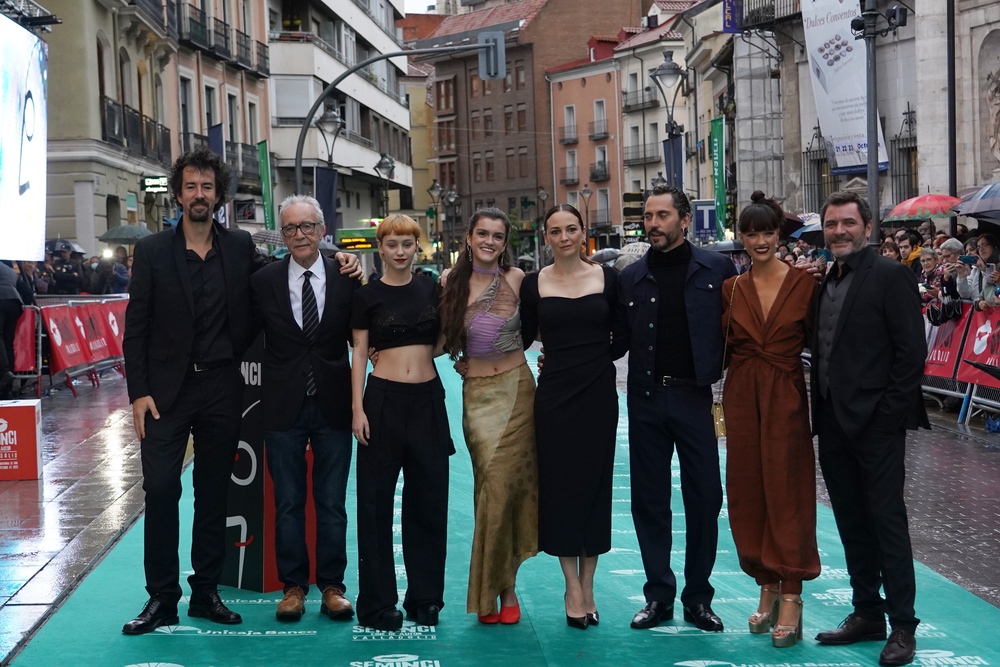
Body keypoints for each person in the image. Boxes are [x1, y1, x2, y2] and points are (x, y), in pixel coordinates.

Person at [122, 146, 361, 635]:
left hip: (221, 387)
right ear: (178, 193)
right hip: (165, 393)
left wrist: (347, 262)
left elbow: (297, 267)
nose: (199, 195)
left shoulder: (238, 249)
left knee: (213, 493)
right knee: (162, 490)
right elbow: (135, 329)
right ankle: (161, 597)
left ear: (220, 195)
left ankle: (205, 590)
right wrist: (139, 391)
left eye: (207, 187)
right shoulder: (150, 252)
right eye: (190, 186)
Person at [811, 191, 927, 666]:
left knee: (887, 523)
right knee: (851, 523)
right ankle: (866, 613)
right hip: (833, 424)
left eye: (847, 223)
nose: (839, 231)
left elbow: (911, 354)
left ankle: (903, 625)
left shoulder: (891, 275)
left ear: (867, 226)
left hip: (877, 425)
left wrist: (888, 415)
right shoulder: (825, 280)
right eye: (832, 224)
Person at [616, 185, 734, 633]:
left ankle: (698, 598)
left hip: (694, 397)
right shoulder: (631, 276)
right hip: (644, 398)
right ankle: (658, 596)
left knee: (705, 496)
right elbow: (615, 339)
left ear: (684, 220)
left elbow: (736, 330)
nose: (653, 224)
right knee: (649, 499)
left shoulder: (718, 269)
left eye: (662, 215)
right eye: (648, 216)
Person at [249, 195, 360, 624]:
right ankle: (292, 588)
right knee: (289, 503)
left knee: (332, 504)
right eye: (291, 228)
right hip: (282, 407)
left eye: (307, 226)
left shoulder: (347, 276)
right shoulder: (264, 281)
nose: (299, 235)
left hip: (333, 405)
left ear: (322, 230)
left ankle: (333, 586)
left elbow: (362, 338)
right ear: (282, 234)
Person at [721, 191, 821, 648]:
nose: (760, 240)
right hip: (742, 394)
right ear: (741, 237)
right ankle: (766, 584)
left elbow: (824, 349)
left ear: (779, 234)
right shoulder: (732, 288)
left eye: (767, 231)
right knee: (748, 489)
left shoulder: (805, 284)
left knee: (787, 489)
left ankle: (793, 593)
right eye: (751, 232)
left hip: (784, 394)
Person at [519, 205, 625, 630]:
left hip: (598, 393)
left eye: (571, 229)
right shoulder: (534, 284)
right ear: (546, 237)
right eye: (555, 231)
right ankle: (571, 586)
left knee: (596, 485)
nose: (564, 237)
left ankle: (590, 583)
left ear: (583, 234)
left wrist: (593, 360)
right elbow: (521, 337)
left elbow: (624, 336)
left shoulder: (608, 279)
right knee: (560, 489)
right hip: (555, 396)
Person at [351, 214, 452, 631]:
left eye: (406, 244)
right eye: (391, 244)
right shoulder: (366, 295)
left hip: (428, 400)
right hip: (382, 401)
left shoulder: (433, 288)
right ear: (380, 248)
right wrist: (357, 408)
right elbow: (358, 353)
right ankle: (378, 603)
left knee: (429, 502)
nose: (399, 251)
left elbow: (444, 339)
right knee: (375, 505)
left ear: (416, 247)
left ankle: (425, 598)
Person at [439, 207, 537, 625]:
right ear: (468, 236)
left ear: (504, 242)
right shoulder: (449, 283)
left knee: (508, 493)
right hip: (477, 398)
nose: (490, 241)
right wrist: (383, 351)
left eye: (498, 236)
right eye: (483, 233)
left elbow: (544, 327)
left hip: (518, 394)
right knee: (489, 491)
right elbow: (440, 339)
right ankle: (493, 589)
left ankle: (506, 587)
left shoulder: (519, 281)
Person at [0, 261, 24, 396]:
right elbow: (24, 287)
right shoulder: (9, 270)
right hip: (15, 303)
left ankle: (4, 372)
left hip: (1, 300)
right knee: (8, 341)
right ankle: (9, 377)